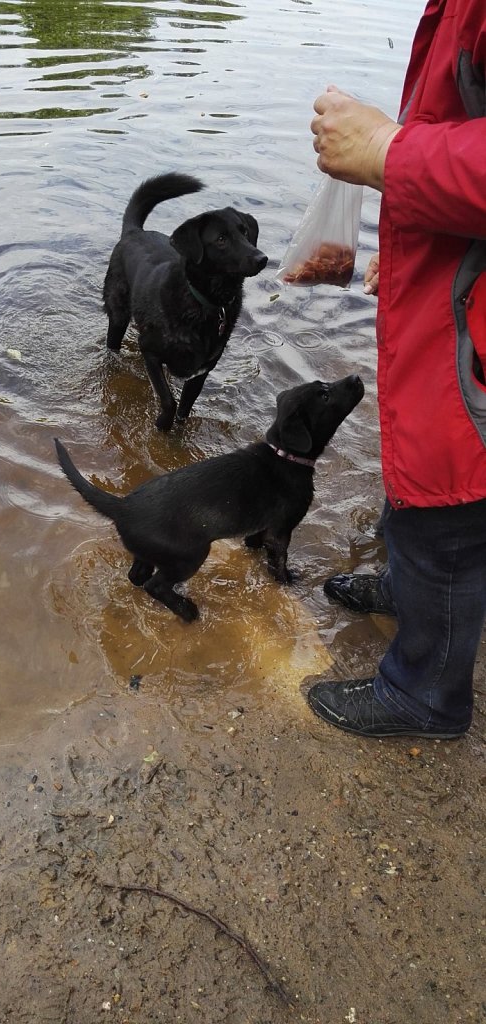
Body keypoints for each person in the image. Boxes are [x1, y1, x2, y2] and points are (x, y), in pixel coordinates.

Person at [304, 0, 486, 738]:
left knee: (450, 507)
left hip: (468, 338)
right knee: (423, 486)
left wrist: (387, 152)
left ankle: (425, 696)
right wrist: (406, 247)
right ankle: (410, 591)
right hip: (453, 294)